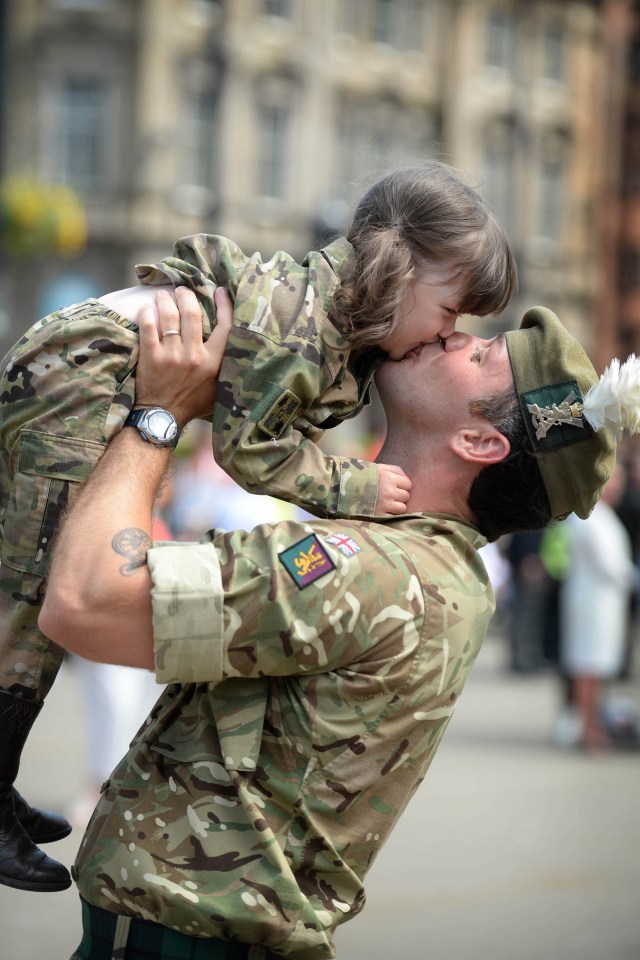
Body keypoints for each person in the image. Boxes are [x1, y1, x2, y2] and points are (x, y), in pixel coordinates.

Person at [37, 287, 633, 959]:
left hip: (183, 943)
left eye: (482, 352)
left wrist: (160, 412)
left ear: (478, 440)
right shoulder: (429, 566)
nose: (452, 336)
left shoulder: (373, 568)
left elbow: (84, 602)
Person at [0, 161, 517, 892]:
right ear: (402, 271)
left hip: (80, 369)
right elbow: (248, 448)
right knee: (28, 591)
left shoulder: (329, 316)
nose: (447, 335)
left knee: (20, 582)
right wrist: (353, 483)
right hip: (80, 376)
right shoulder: (304, 324)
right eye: (451, 312)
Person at [559, 463, 637, 750]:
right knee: (588, 665)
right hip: (593, 604)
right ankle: (588, 729)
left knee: (596, 666)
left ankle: (592, 724)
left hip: (603, 602)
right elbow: (611, 565)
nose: (617, 487)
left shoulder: (602, 515)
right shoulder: (588, 516)